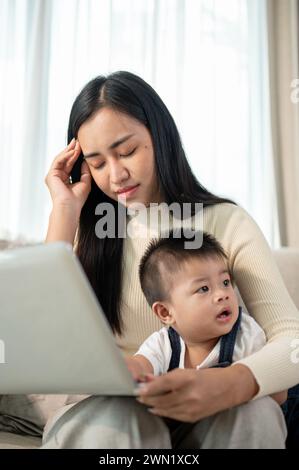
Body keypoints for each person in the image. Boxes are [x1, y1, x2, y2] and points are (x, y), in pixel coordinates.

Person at [42, 70, 299, 449]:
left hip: (206, 408)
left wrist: (232, 382)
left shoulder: (226, 222)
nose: (116, 175)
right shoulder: (87, 230)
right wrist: (64, 211)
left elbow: (291, 341)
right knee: (118, 419)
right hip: (113, 414)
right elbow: (43, 337)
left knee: (254, 412)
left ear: (159, 137)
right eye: (97, 163)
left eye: (126, 151)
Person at [125, 230, 287, 411]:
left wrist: (224, 383)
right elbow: (141, 364)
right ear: (165, 312)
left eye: (225, 283)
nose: (222, 295)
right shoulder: (163, 344)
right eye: (203, 288)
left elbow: (278, 395)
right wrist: (129, 370)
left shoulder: (246, 334)